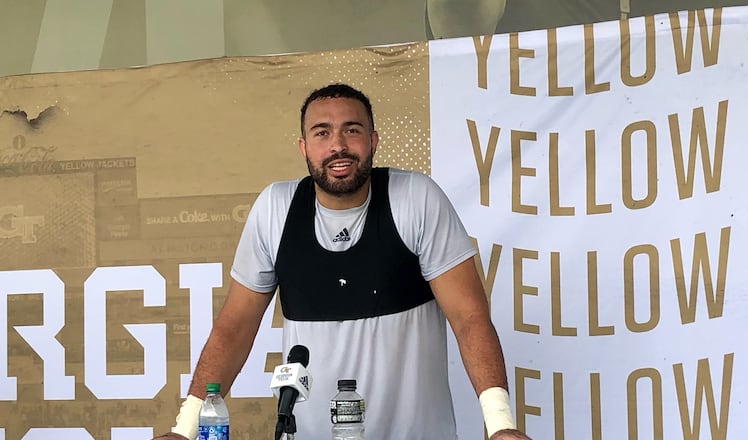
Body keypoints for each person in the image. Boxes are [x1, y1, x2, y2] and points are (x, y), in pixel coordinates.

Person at [153, 84, 532, 440]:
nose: (338, 145)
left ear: (373, 141)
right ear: (303, 147)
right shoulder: (275, 208)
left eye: (352, 130)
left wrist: (500, 424)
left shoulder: (416, 198)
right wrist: (185, 428)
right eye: (322, 133)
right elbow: (234, 327)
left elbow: (469, 318)